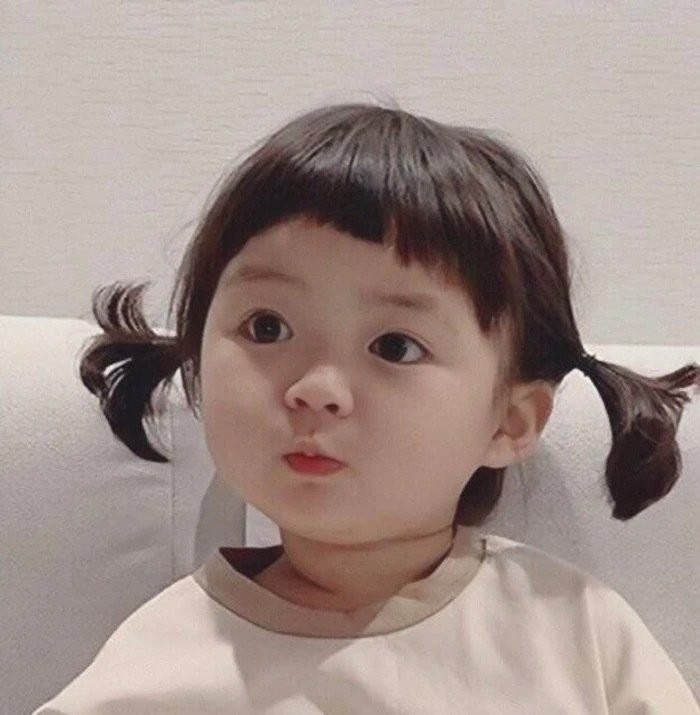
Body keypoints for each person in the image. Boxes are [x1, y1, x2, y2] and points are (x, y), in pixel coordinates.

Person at [33, 101, 699, 713]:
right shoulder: (154, 665)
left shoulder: (574, 634)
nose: (316, 387)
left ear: (510, 420)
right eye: (267, 327)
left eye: (395, 346)